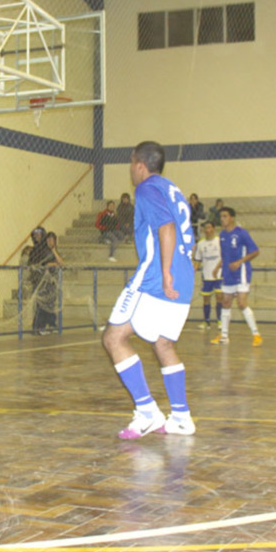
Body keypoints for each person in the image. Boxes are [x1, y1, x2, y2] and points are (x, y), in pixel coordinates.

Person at [102, 141, 196, 438]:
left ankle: (147, 412)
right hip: (185, 276)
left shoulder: (146, 188)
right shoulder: (172, 188)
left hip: (157, 275)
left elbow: (165, 228)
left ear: (138, 163)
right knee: (163, 344)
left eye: (131, 163)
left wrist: (165, 274)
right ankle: (181, 417)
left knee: (114, 338)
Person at [211, 206, 263, 346]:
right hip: (228, 274)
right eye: (221, 216)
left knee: (241, 303)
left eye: (225, 216)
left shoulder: (241, 233)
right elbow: (224, 255)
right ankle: (224, 336)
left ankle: (256, 334)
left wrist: (240, 262)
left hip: (241, 272)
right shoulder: (222, 235)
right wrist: (218, 267)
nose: (222, 219)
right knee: (225, 302)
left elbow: (255, 251)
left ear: (232, 218)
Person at [29, 231, 63, 335]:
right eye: (48, 239)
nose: (50, 242)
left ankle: (50, 324)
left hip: (50, 283)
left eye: (52, 240)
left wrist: (54, 252)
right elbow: (42, 264)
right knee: (41, 305)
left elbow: (61, 263)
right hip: (41, 282)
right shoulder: (42, 251)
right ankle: (37, 328)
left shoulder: (53, 251)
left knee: (50, 304)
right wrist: (49, 264)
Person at [192, 220, 222, 330]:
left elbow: (224, 257)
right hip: (207, 275)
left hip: (218, 275)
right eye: (206, 228)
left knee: (219, 297)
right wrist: (193, 270)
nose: (208, 230)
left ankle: (220, 320)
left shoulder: (219, 241)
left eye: (210, 227)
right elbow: (198, 260)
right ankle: (206, 321)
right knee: (206, 298)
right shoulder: (200, 244)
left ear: (213, 228)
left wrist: (218, 268)